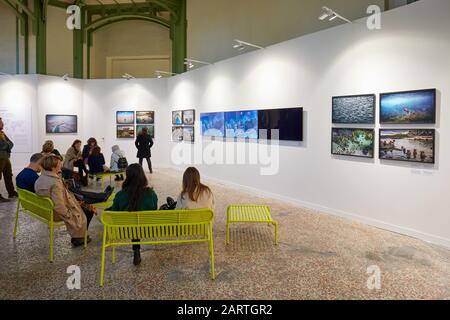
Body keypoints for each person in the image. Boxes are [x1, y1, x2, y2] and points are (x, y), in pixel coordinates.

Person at [35, 155, 94, 247]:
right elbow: (59, 206)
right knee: (89, 210)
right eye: (59, 164)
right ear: (53, 167)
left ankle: (79, 236)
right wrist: (69, 214)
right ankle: (78, 238)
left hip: (46, 209)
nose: (61, 165)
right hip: (56, 212)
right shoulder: (55, 182)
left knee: (84, 203)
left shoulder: (41, 177)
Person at [111, 164, 158, 266]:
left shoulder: (120, 195)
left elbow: (114, 213)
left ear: (128, 177)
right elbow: (154, 210)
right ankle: (136, 250)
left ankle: (136, 249)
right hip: (148, 228)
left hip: (125, 230)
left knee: (133, 224)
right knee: (137, 223)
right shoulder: (151, 193)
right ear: (142, 176)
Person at [0, 116, 18, 201]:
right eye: (0, 122)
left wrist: (6, 145)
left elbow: (11, 143)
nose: (3, 123)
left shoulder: (2, 133)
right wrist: (6, 145)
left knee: (8, 175)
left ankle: (11, 193)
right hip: (0, 158)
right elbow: (3, 145)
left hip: (6, 157)